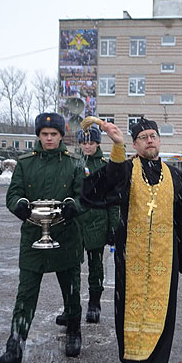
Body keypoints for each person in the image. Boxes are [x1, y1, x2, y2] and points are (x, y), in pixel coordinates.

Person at [82, 117, 182, 363]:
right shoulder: (126, 170)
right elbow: (102, 186)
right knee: (133, 316)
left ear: (159, 140)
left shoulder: (174, 175)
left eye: (154, 136)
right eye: (144, 137)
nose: (150, 140)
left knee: (162, 315)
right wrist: (118, 147)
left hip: (164, 260)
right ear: (135, 143)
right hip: (131, 261)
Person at [0, 112, 85, 363]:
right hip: (33, 236)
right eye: (45, 134)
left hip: (65, 236)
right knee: (25, 296)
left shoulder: (74, 163)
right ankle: (13, 353)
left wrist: (73, 207)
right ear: (38, 136)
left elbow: (82, 195)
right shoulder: (25, 163)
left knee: (71, 289)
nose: (49, 138)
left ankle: (74, 330)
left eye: (54, 134)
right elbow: (14, 192)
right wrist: (18, 205)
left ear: (61, 135)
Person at [57, 127, 115, 325]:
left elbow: (112, 199)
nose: (87, 146)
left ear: (98, 143)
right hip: (74, 222)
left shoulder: (105, 166)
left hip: (97, 222)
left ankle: (94, 305)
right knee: (70, 267)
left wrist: (113, 228)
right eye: (84, 142)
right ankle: (70, 308)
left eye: (91, 142)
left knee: (95, 266)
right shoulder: (74, 163)